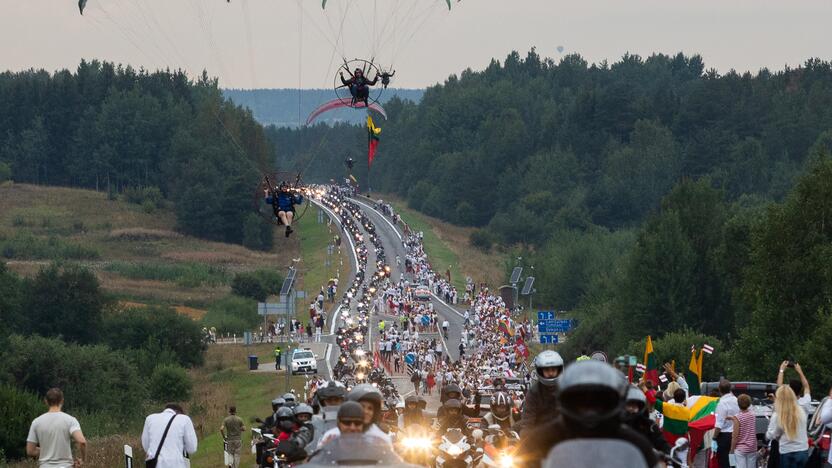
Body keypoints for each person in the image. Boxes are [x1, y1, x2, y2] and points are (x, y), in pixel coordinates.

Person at [518, 360, 659, 468]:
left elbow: (651, 463)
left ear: (611, 401)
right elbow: (523, 461)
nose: (590, 408)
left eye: (598, 400)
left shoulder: (634, 442)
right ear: (567, 400)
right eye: (581, 400)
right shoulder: (541, 438)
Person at [26, 388, 87, 468]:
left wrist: (47, 451)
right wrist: (83, 460)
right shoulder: (70, 420)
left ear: (46, 401)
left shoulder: (36, 422)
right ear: (62, 401)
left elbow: (30, 451)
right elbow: (82, 441)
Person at [517, 350, 564, 433]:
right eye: (547, 370)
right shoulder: (533, 393)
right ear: (540, 371)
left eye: (553, 370)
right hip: (540, 437)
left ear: (559, 369)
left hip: (564, 437)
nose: (550, 373)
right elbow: (527, 421)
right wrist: (525, 440)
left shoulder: (567, 390)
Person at [141, 403, 198, 468]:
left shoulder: (149, 419)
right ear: (179, 413)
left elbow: (146, 445)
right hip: (176, 463)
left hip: (154, 464)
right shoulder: (184, 419)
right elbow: (192, 448)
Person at [766, 385, 809, 468]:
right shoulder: (801, 411)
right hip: (803, 450)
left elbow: (773, 435)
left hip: (788, 452)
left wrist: (767, 434)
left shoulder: (779, 415)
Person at [621, 386, 669, 454]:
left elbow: (661, 442)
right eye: (629, 405)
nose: (631, 408)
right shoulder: (616, 425)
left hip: (645, 460)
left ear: (640, 406)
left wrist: (669, 453)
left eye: (635, 405)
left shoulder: (649, 425)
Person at [713, 379, 740, 468]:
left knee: (724, 462)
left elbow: (719, 424)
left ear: (720, 390)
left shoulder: (721, 403)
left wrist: (714, 437)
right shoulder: (737, 400)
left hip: (724, 437)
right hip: (736, 434)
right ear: (730, 389)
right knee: (733, 461)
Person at [729, 394, 757, 468]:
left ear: (738, 404)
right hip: (752, 448)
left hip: (741, 449)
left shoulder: (737, 418)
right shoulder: (752, 415)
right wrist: (733, 418)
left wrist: (731, 450)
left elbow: (735, 436)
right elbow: (745, 418)